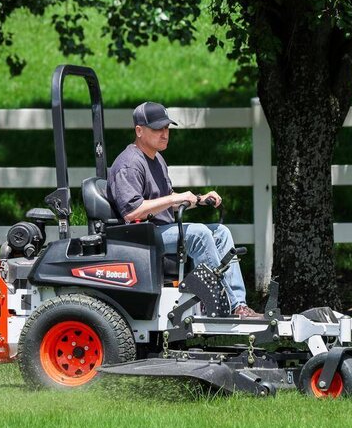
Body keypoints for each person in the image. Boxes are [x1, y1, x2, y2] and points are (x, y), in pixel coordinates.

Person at [106, 101, 261, 318]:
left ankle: (238, 305)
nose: (164, 134)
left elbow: (168, 201)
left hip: (161, 228)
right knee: (199, 234)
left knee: (221, 232)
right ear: (139, 131)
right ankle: (219, 304)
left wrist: (199, 199)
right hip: (139, 237)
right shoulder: (129, 164)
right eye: (157, 129)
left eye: (166, 128)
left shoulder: (157, 159)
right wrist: (173, 198)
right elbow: (132, 212)